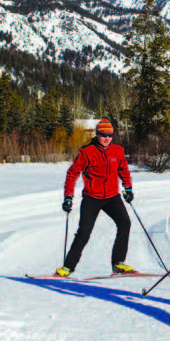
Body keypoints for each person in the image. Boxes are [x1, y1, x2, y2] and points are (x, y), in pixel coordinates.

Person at [56, 118, 136, 277]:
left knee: (125, 222)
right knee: (84, 232)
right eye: (103, 134)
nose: (107, 138)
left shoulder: (117, 151)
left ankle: (118, 263)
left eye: (110, 135)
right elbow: (72, 174)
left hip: (112, 196)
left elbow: (124, 170)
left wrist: (128, 188)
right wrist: (68, 197)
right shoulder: (86, 152)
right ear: (97, 134)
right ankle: (67, 267)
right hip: (92, 197)